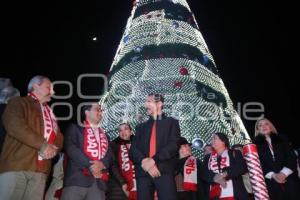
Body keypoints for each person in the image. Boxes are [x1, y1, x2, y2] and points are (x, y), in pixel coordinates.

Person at [0, 75, 64, 200]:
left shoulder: (51, 114)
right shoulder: (18, 102)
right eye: (48, 87)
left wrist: (53, 149)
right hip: (17, 166)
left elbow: (60, 137)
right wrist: (43, 145)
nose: (53, 92)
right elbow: (15, 125)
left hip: (41, 172)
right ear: (36, 86)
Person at [129, 93, 180, 200]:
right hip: (143, 172)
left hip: (164, 171)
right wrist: (145, 162)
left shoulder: (172, 122)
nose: (145, 104)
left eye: (149, 101)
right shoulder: (140, 127)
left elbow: (173, 146)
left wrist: (154, 160)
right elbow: (133, 150)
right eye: (145, 101)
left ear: (159, 104)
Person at [61, 103, 113, 200]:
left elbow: (110, 156)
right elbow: (71, 148)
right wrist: (91, 165)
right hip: (77, 180)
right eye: (97, 109)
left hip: (98, 183)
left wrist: (102, 164)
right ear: (87, 112)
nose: (100, 112)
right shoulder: (75, 128)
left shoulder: (106, 136)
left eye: (101, 110)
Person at [253, 118, 300, 200]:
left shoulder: (282, 139)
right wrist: (273, 175)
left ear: (270, 126)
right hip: (271, 182)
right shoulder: (255, 145)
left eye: (266, 124)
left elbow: (291, 157)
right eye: (260, 125)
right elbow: (258, 164)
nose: (263, 126)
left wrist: (284, 173)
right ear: (258, 130)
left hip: (289, 179)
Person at [203, 132, 248, 200]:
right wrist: (214, 177)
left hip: (235, 193)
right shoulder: (207, 157)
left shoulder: (235, 153)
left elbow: (242, 167)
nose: (212, 141)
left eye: (214, 138)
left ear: (223, 141)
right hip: (214, 194)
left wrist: (225, 174)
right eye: (212, 139)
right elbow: (204, 173)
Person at [107, 123, 137, 200]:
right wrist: (122, 183)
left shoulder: (140, 143)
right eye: (120, 130)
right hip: (118, 186)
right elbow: (113, 165)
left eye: (126, 129)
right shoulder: (113, 145)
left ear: (131, 131)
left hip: (139, 183)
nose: (123, 132)